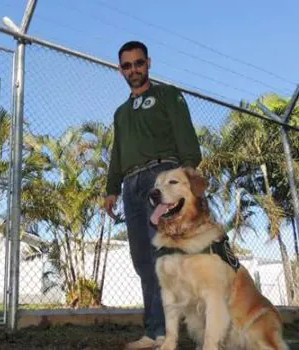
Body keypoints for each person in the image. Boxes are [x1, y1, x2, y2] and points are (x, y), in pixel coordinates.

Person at [104, 41, 202, 349]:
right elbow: (117, 153)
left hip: (161, 176)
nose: (133, 70)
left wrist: (187, 173)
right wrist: (111, 189)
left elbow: (184, 131)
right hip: (131, 186)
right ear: (120, 70)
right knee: (142, 260)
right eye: (127, 65)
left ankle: (184, 328)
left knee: (165, 256)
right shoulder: (120, 113)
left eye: (138, 63)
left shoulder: (167, 95)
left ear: (149, 63)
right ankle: (156, 332)